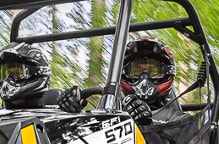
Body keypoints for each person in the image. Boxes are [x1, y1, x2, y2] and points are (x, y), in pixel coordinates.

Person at [59, 36, 187, 124]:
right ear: (125, 72)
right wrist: (71, 112)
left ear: (167, 72)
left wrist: (149, 126)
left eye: (153, 71)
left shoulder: (179, 121)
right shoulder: (111, 106)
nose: (144, 77)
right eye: (136, 70)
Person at [0, 42, 53, 109]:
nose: (8, 80)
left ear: (37, 75)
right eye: (5, 74)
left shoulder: (56, 116)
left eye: (18, 74)